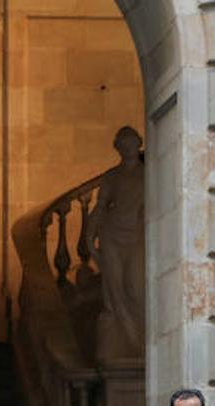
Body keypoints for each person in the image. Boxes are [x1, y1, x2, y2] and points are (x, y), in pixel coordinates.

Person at [84, 126, 145, 359]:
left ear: (138, 144)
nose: (128, 148)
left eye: (131, 143)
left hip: (137, 236)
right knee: (114, 291)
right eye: (123, 144)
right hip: (111, 235)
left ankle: (139, 340)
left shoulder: (148, 175)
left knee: (136, 288)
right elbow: (100, 207)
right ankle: (128, 342)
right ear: (117, 147)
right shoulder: (112, 176)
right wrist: (90, 238)